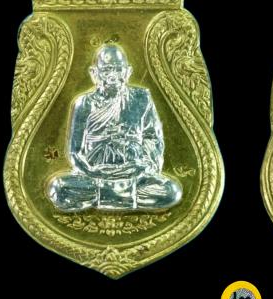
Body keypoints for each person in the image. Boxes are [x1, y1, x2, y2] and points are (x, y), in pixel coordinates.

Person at [48, 45, 182, 211]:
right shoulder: (84, 104)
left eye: (118, 70)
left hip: (133, 173)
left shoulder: (141, 98)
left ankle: (103, 197)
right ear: (94, 73)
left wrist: (141, 165)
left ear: (127, 72)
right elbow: (75, 152)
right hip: (94, 176)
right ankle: (123, 196)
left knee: (171, 191)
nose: (113, 76)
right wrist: (92, 171)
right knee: (59, 189)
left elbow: (153, 138)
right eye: (106, 70)